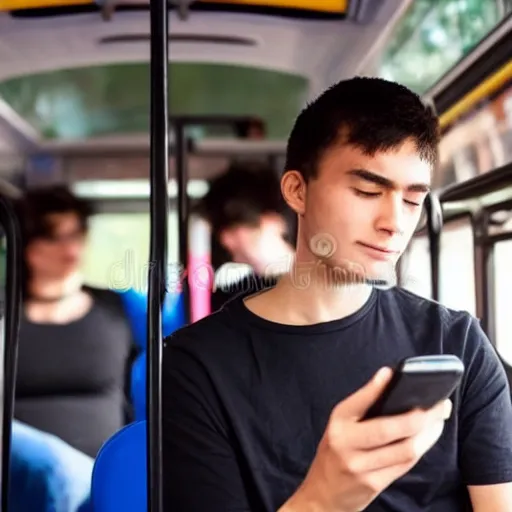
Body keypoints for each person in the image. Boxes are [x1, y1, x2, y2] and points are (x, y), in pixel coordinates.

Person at [161, 77, 512, 511]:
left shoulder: (458, 343)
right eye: (367, 191)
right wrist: (324, 498)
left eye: (412, 201)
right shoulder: (195, 366)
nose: (394, 223)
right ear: (296, 191)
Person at [197, 161, 295, 311]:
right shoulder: (231, 300)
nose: (226, 241)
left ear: (272, 220)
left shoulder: (324, 288)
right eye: (220, 232)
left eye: (234, 228)